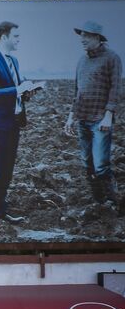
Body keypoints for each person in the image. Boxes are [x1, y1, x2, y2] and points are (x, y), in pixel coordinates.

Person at [0, 21, 38, 224]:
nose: (19, 40)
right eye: (16, 36)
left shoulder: (14, 61)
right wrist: (18, 90)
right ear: (4, 36)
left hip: (13, 123)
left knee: (7, 170)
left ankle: (0, 212)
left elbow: (13, 90)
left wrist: (27, 90)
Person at [62, 19, 121, 206]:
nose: (82, 39)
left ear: (97, 37)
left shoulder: (112, 58)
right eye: (81, 35)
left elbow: (115, 89)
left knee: (101, 166)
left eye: (86, 35)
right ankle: (100, 203)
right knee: (88, 165)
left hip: (100, 120)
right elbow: (77, 92)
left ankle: (116, 203)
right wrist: (71, 118)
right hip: (83, 119)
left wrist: (108, 115)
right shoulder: (82, 61)